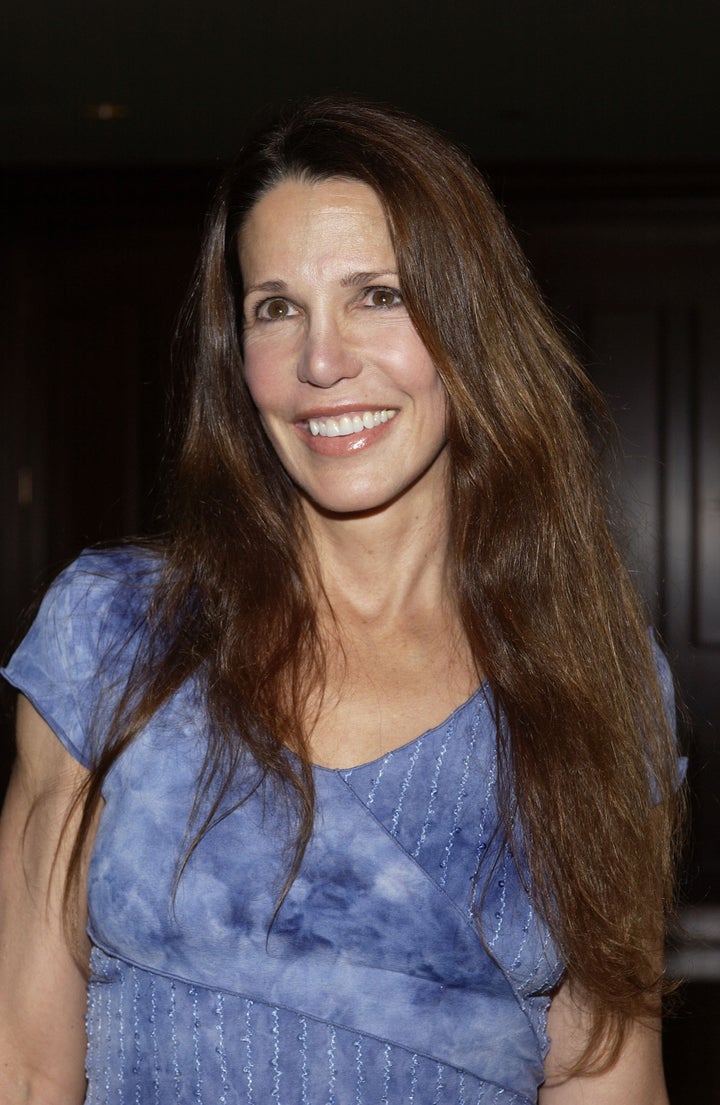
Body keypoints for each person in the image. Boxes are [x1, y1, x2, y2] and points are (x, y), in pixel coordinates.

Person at [0, 96, 683, 1104]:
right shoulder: (112, 636)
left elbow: (606, 1078)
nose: (323, 363)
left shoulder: (593, 684)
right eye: (277, 308)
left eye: (378, 295)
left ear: (470, 326)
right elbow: (22, 1062)